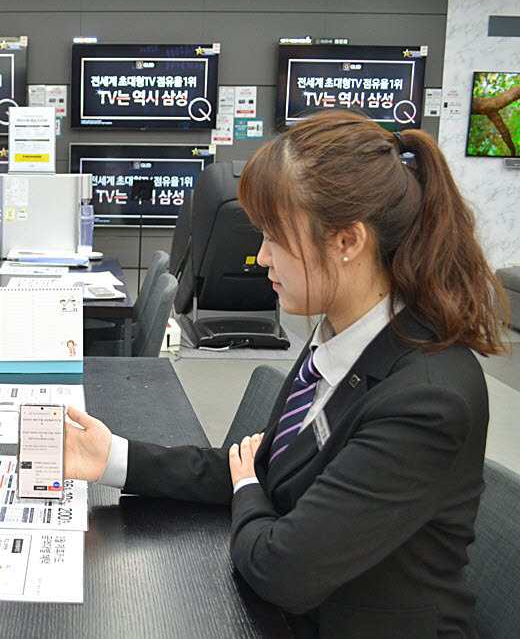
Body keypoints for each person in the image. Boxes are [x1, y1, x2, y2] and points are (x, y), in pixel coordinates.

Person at [63, 110, 506, 637]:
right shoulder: (341, 338)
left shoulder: (427, 399)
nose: (260, 255)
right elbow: (266, 467)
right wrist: (112, 457)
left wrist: (250, 486)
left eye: (274, 235)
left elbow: (283, 568)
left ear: (347, 242)